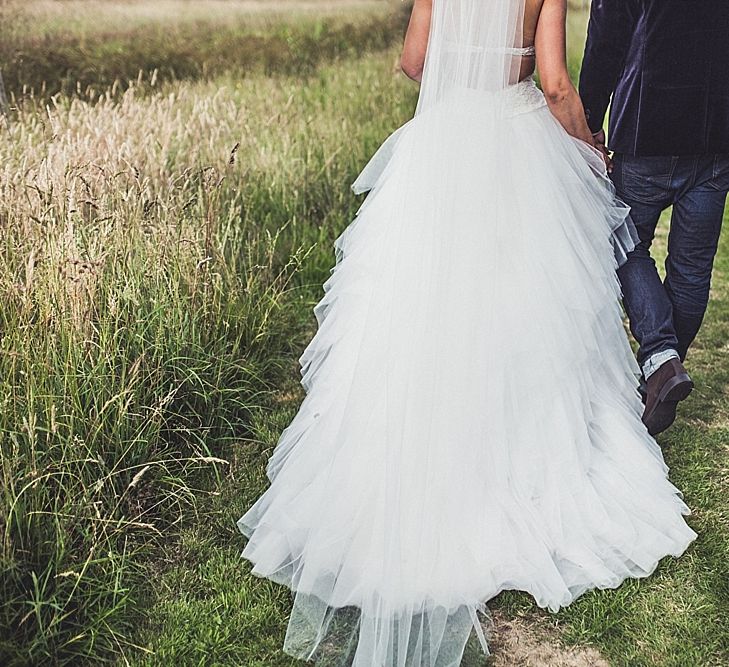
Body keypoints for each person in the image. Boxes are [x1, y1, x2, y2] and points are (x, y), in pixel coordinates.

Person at [237, 1, 696, 664]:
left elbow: (413, 61)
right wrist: (587, 146)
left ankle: (416, 465)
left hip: (442, 142)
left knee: (418, 309)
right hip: (516, 137)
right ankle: (523, 471)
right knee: (525, 312)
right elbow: (556, 84)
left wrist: (462, 74)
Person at [579, 0, 729, 436]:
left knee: (620, 242)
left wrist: (588, 117)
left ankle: (661, 359)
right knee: (692, 269)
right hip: (718, 133)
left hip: (649, 127)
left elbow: (607, 35)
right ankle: (662, 371)